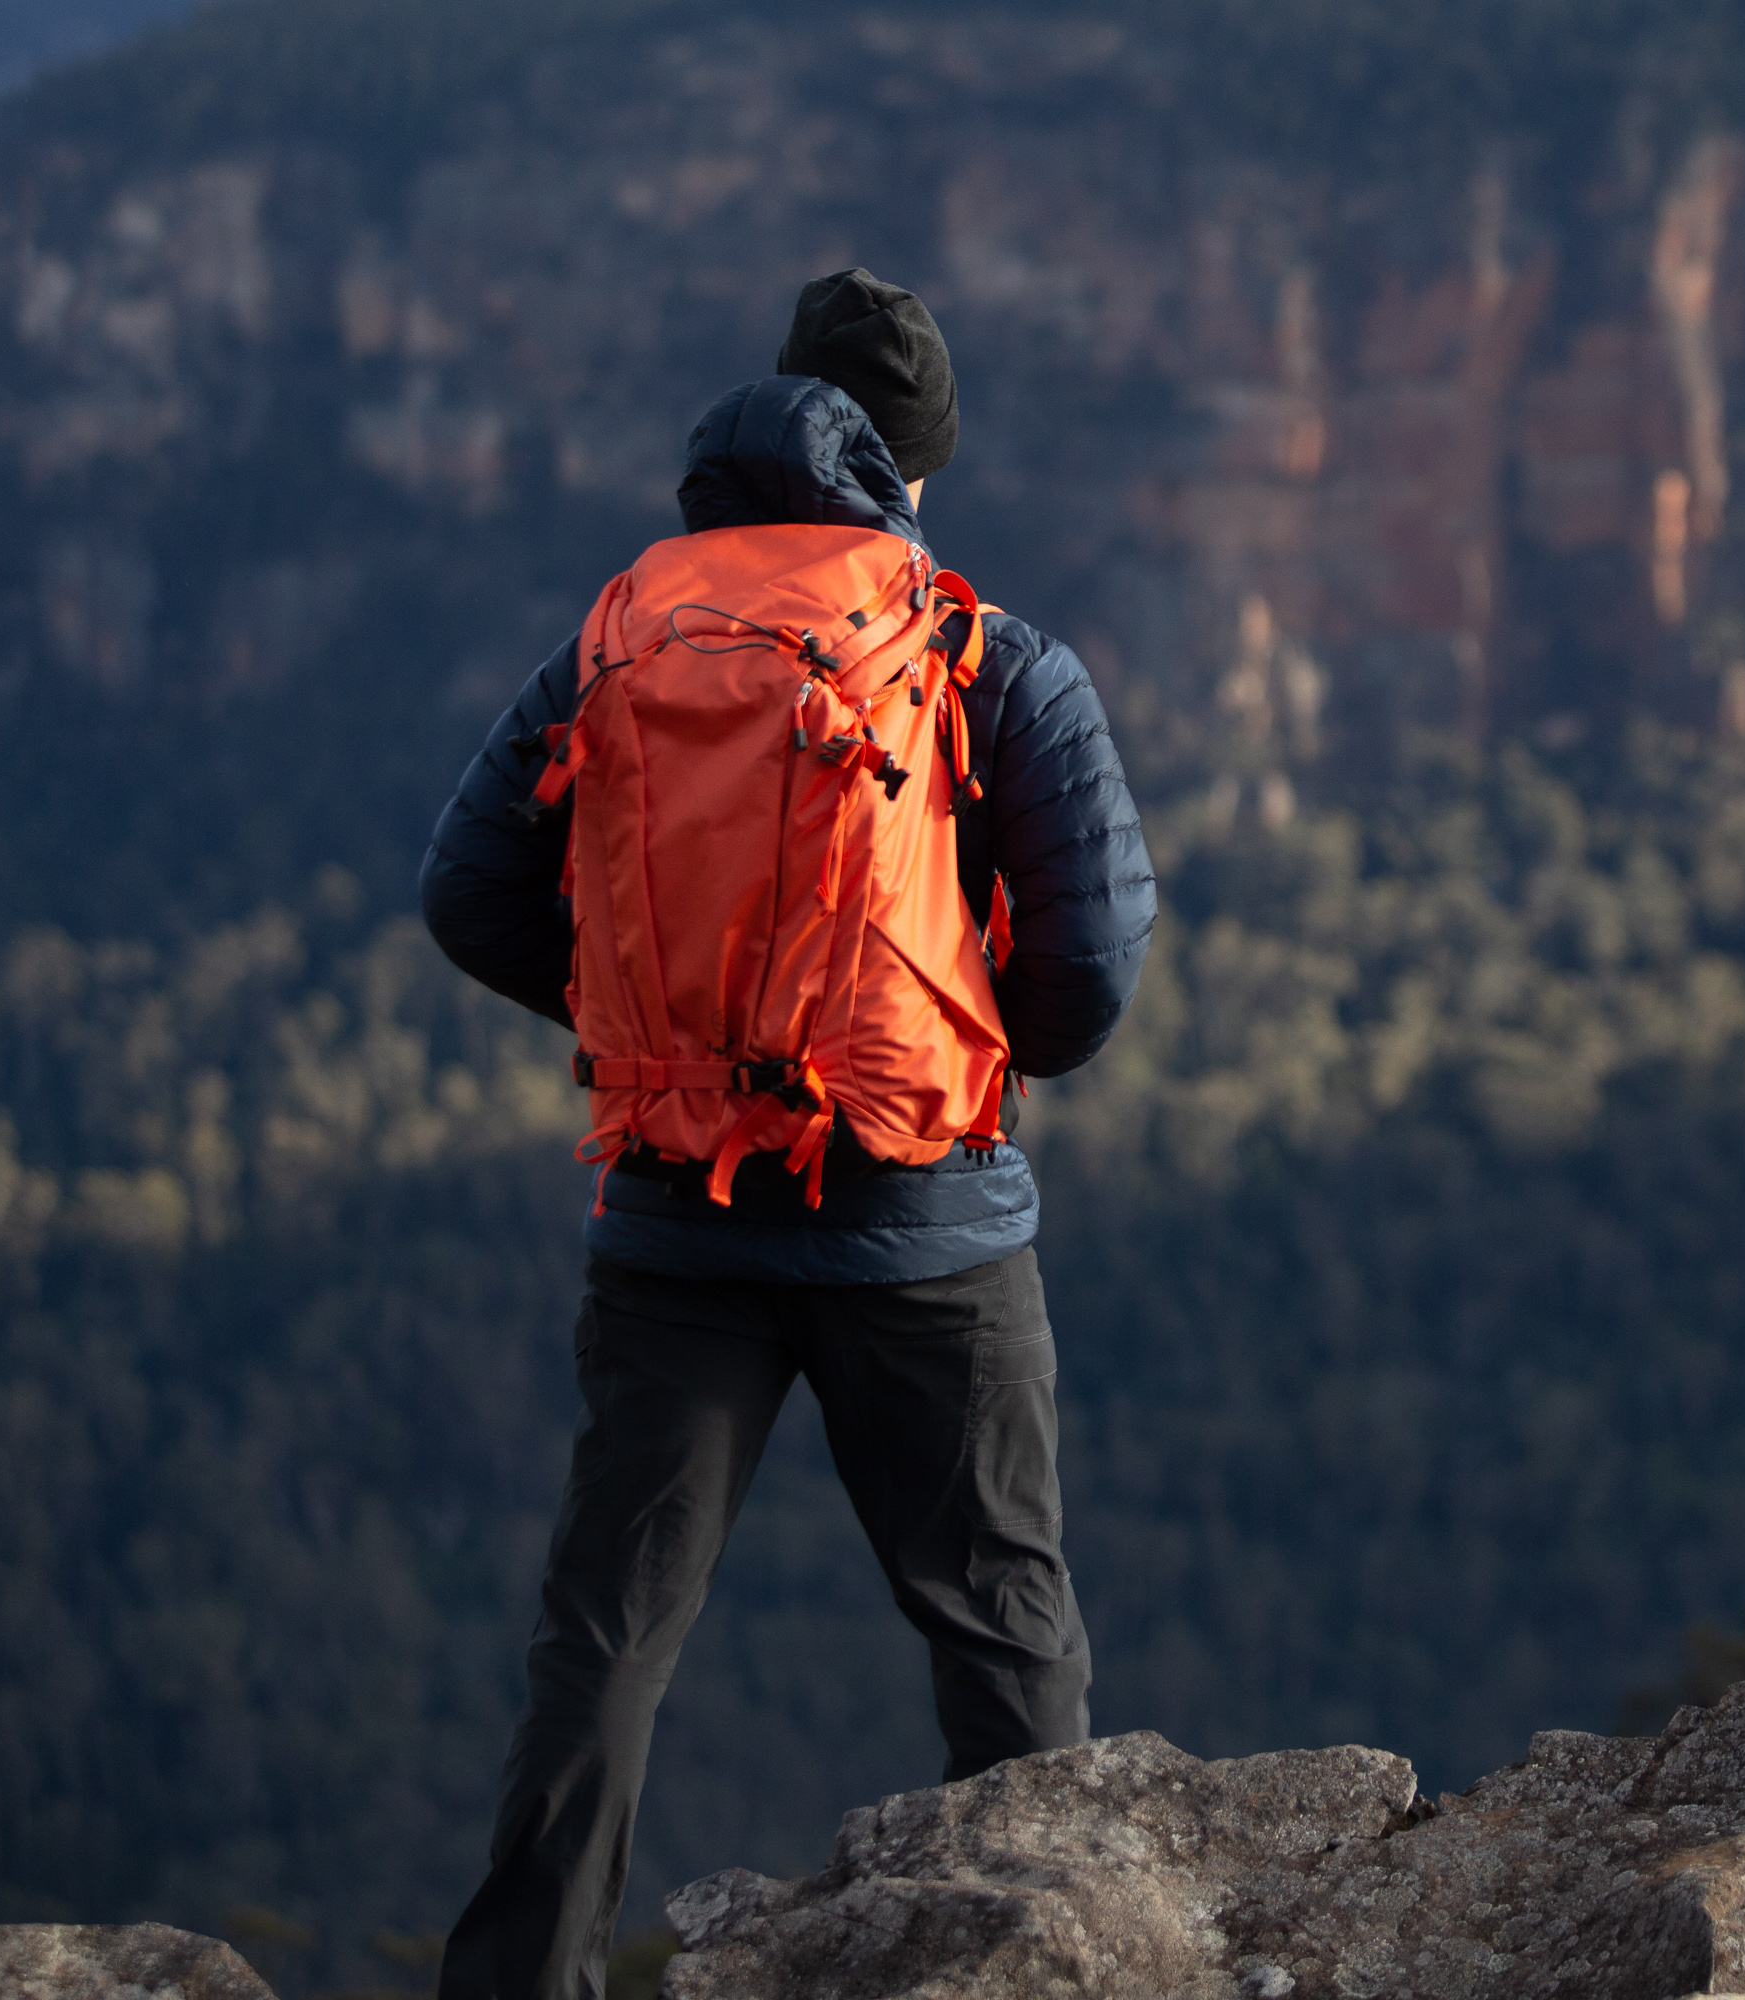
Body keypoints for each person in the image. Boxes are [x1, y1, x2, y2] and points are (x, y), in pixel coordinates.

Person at [417, 268, 1157, 2000]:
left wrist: (652, 1038)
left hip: (677, 1221)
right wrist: (963, 1054)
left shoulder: (618, 631)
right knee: (1001, 1624)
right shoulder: (984, 650)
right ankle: (1048, 1962)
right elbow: (1099, 962)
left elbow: (467, 891)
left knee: (602, 1642)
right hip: (931, 1224)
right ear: (914, 470)